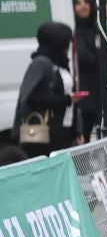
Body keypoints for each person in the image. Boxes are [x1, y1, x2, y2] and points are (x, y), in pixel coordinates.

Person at [15, 21, 76, 155]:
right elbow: (31, 97)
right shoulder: (42, 63)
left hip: (63, 129)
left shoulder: (60, 62)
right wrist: (65, 100)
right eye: (66, 41)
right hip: (46, 133)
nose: (68, 45)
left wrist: (76, 130)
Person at [70, 0, 107, 141]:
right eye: (78, 3)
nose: (83, 6)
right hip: (84, 85)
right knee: (86, 125)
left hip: (99, 84)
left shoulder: (97, 27)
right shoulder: (74, 29)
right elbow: (83, 57)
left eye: (86, 2)